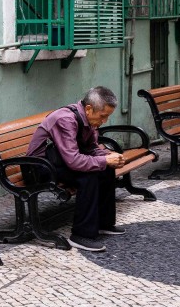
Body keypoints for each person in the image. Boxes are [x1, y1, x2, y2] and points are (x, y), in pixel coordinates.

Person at [26, 86, 126, 252]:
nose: (104, 121)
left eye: (107, 116)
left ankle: (104, 223)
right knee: (89, 177)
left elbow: (91, 147)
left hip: (60, 162)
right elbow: (74, 161)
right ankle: (81, 235)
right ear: (89, 109)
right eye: (103, 116)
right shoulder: (66, 120)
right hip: (40, 168)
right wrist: (103, 160)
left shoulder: (87, 119)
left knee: (107, 169)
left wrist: (108, 155)